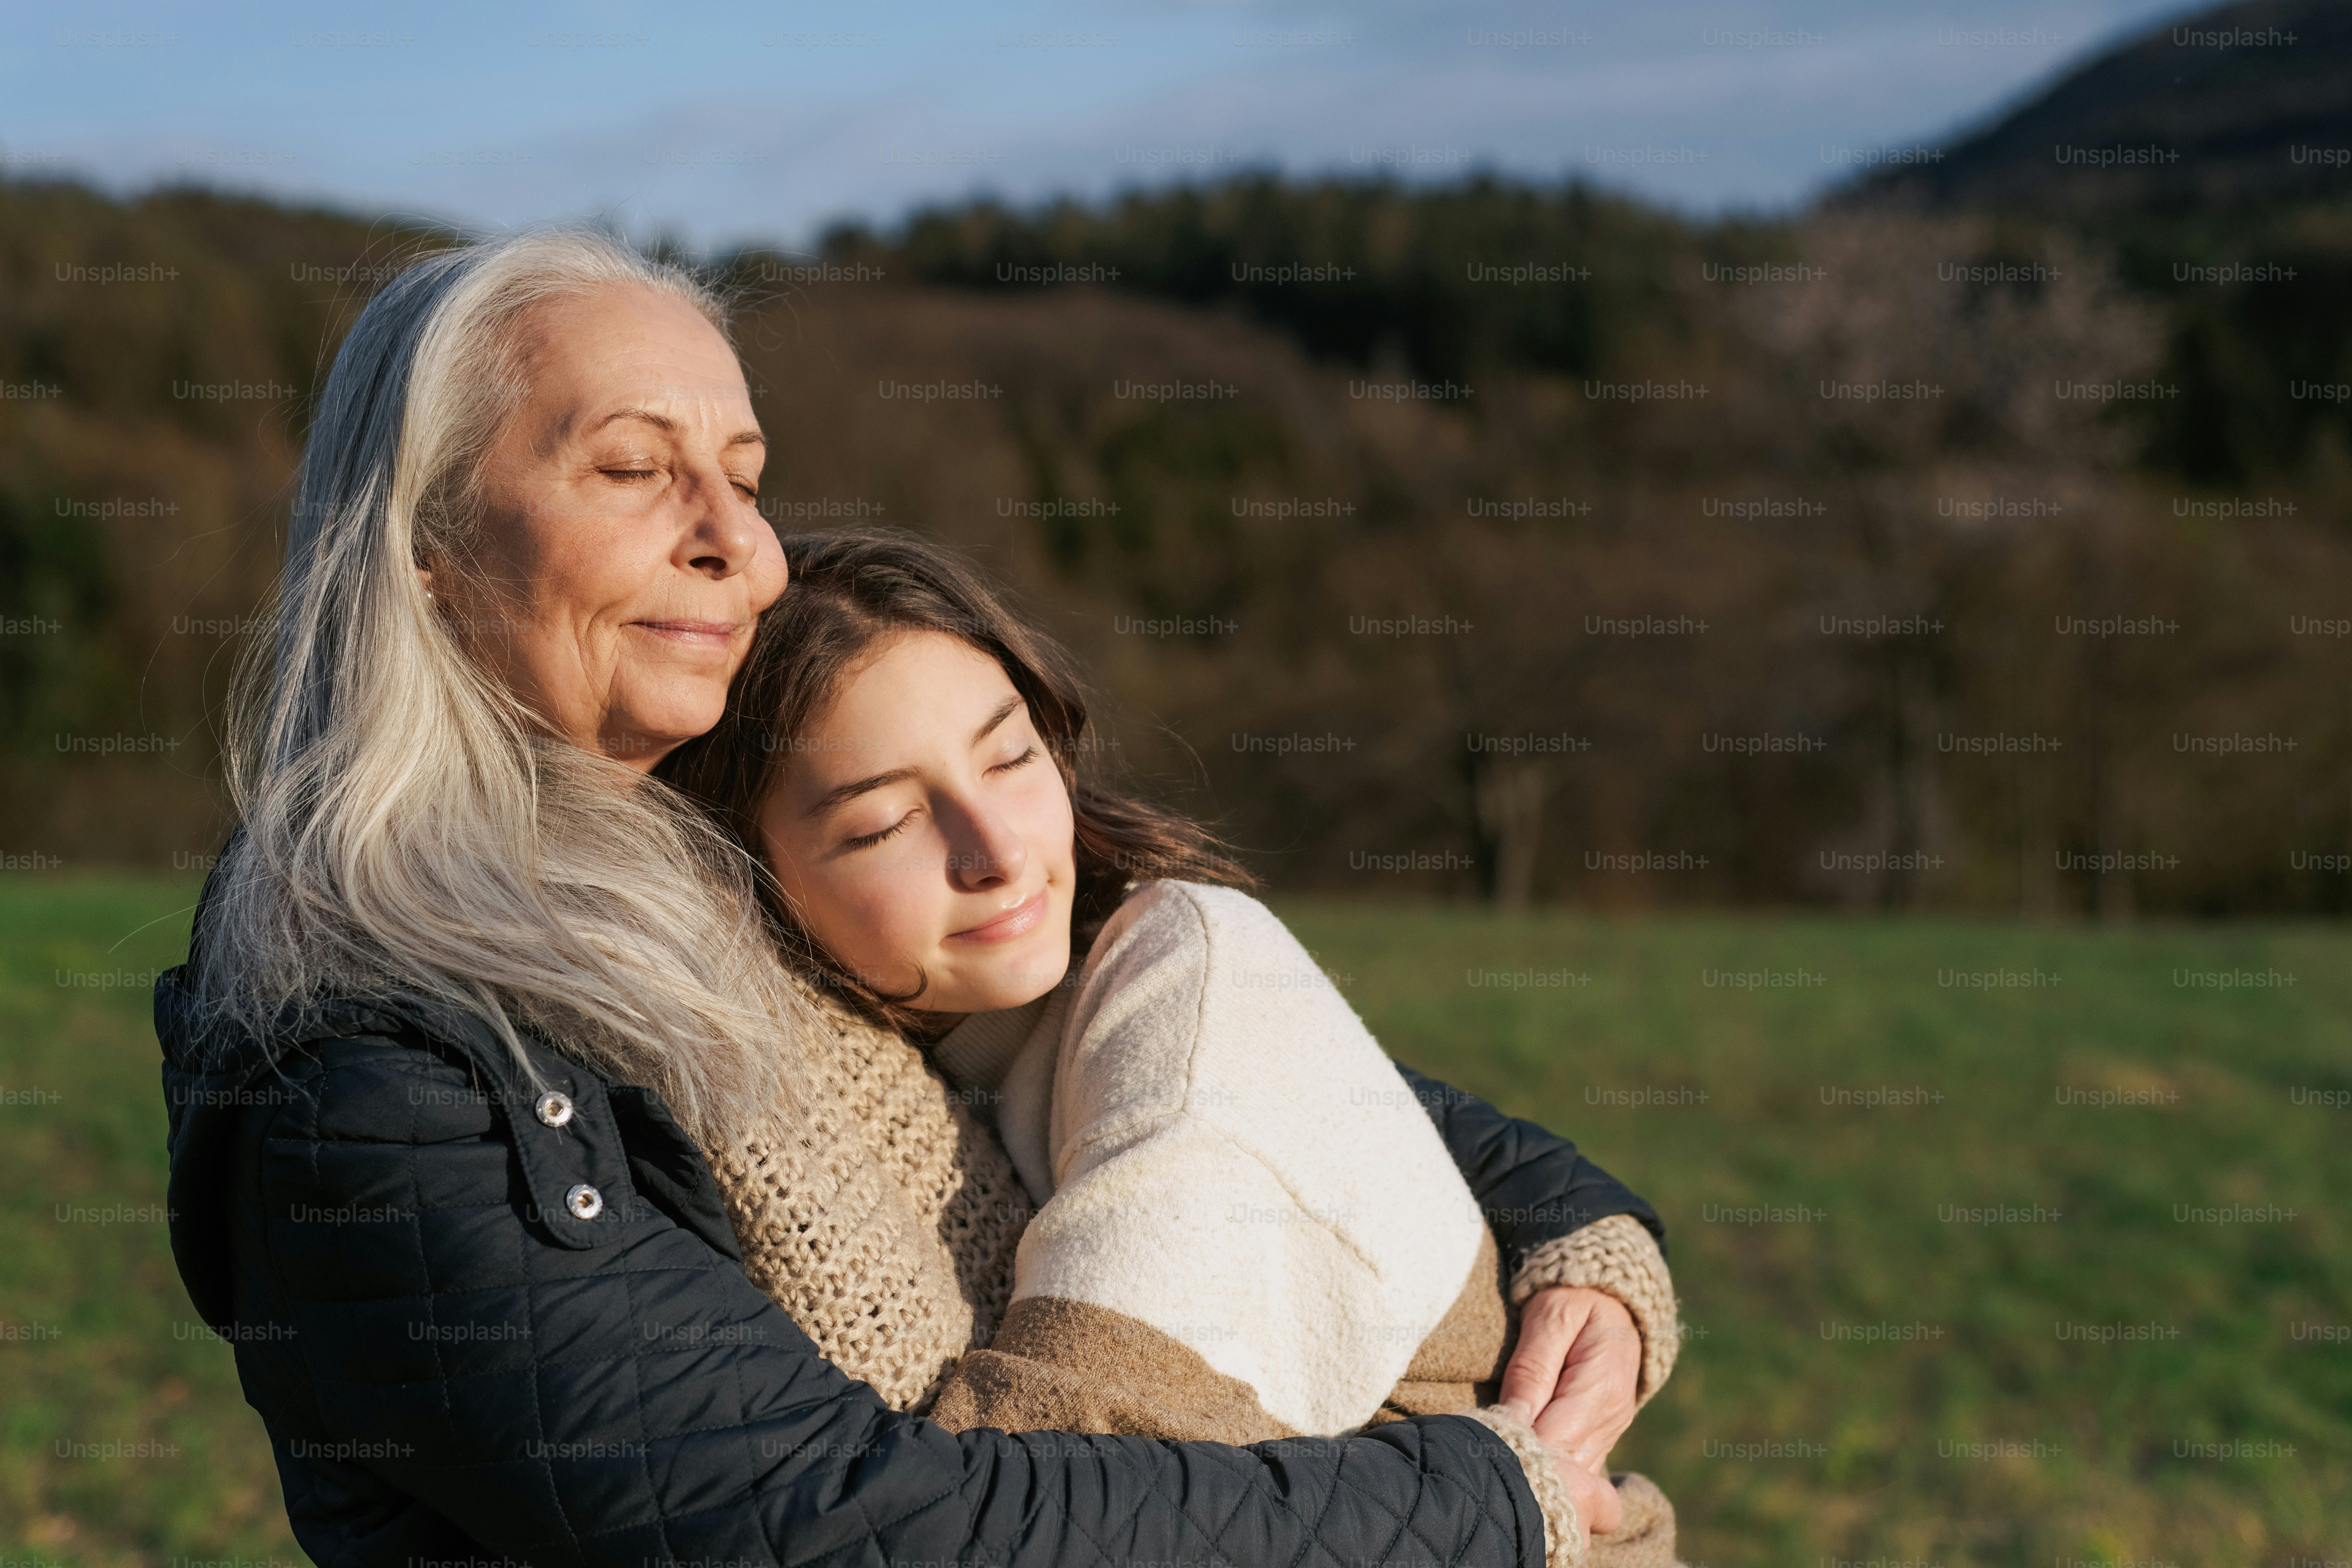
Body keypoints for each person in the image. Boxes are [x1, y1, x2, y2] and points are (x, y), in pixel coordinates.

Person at [156, 228, 1677, 1568]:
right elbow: (844, 1526)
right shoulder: (367, 1069)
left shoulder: (694, 861)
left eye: (747, 480)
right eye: (631, 471)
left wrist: (1581, 1247)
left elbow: (1215, 1048)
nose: (737, 546)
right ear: (421, 552)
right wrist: (1484, 1503)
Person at [658, 530, 1682, 1467]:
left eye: (1012, 758)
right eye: (887, 824)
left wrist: (1595, 1240)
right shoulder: (927, 1049)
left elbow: (1044, 1480)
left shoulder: (1184, 979)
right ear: (742, 877)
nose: (1000, 853)